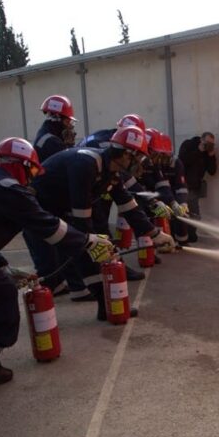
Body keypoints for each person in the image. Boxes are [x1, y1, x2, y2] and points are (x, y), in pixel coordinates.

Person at [0, 138, 115, 384]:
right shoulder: (10, 188)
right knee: (2, 297)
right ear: (22, 166)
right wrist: (88, 241)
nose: (32, 178)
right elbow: (48, 227)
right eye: (31, 171)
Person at [28, 125, 174, 294]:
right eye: (138, 158)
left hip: (59, 207)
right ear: (126, 154)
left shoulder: (111, 171)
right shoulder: (86, 165)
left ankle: (90, 298)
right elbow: (82, 218)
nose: (139, 165)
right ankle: (95, 300)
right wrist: (95, 245)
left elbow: (128, 205)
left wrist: (155, 234)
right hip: (39, 209)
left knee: (84, 247)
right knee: (79, 251)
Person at [29, 94, 88, 299]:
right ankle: (74, 286)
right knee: (63, 242)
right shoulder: (51, 142)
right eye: (68, 121)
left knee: (51, 244)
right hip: (47, 200)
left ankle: (58, 284)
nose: (70, 127)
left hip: (44, 198)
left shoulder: (47, 137)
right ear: (59, 119)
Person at [178, 131, 217, 243]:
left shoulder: (207, 153)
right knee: (182, 212)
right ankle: (180, 234)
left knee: (195, 214)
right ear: (201, 139)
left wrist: (211, 156)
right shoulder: (188, 144)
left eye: (211, 144)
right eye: (207, 143)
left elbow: (212, 171)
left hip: (195, 187)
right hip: (183, 185)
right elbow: (182, 162)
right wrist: (198, 151)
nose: (208, 146)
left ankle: (191, 234)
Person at [33, 94, 77, 162]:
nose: (70, 126)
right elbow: (72, 162)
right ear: (57, 119)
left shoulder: (45, 133)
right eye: (67, 122)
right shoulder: (52, 142)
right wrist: (69, 145)